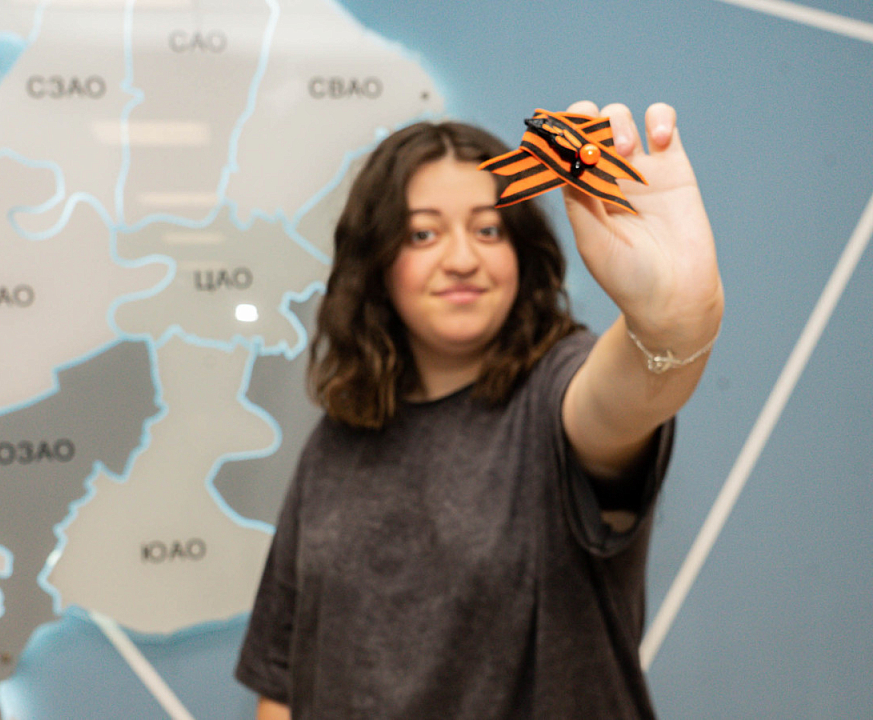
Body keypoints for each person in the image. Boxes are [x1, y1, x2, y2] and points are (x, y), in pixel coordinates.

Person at [234, 101, 724, 719]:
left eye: (489, 230)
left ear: (520, 251)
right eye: (423, 234)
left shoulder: (555, 396)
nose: (462, 258)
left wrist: (671, 321)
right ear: (378, 263)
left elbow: (622, 399)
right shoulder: (338, 439)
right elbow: (281, 680)